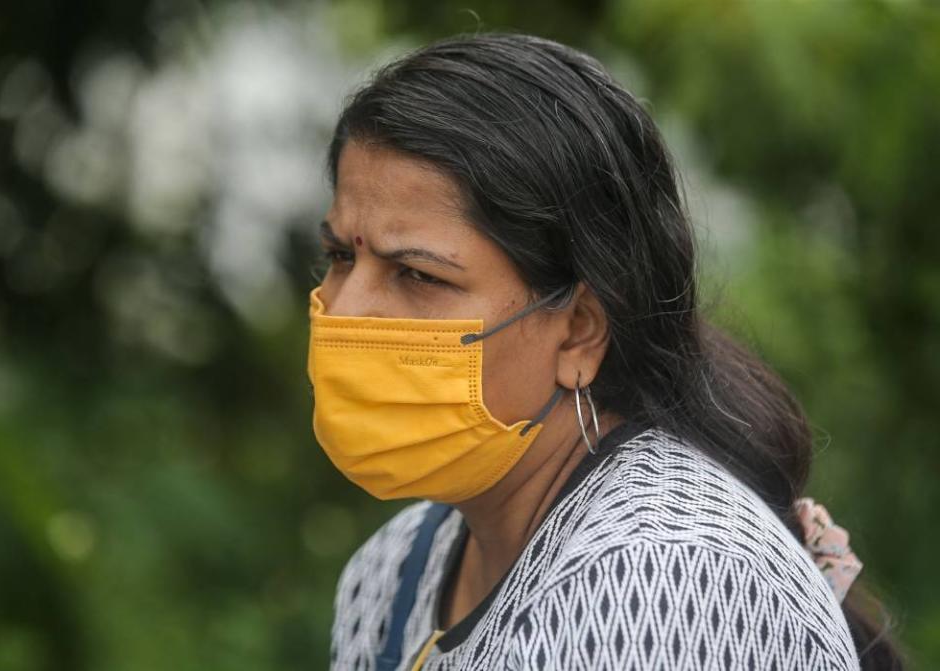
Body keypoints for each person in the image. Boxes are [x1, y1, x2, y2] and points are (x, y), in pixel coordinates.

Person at [305, 32, 902, 670]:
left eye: (418, 275)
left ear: (581, 330)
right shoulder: (396, 568)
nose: (342, 309)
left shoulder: (668, 582)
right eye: (342, 256)